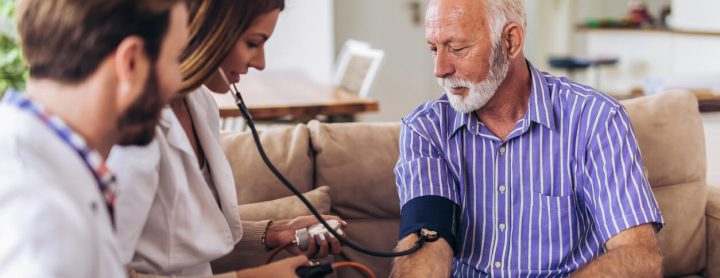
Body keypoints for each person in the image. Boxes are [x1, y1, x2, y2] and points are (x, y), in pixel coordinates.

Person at [391, 0, 664, 277]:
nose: (440, 69)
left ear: (510, 41)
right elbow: (428, 242)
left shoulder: (596, 119)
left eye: (458, 48)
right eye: (434, 49)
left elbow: (638, 256)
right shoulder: (425, 130)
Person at [107, 0, 345, 277]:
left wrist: (274, 233)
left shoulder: (200, 103)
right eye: (253, 44)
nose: (260, 63)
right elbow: (108, 269)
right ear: (210, 31)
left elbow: (187, 233)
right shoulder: (133, 136)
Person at [0, 0, 188, 276]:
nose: (178, 81)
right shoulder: (42, 220)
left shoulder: (46, 164)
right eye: (176, 58)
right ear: (131, 61)